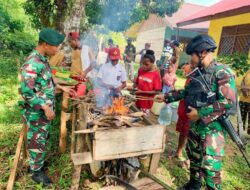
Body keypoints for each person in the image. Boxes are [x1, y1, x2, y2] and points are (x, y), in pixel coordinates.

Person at [155, 34, 236, 190]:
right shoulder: (198, 73)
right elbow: (186, 92)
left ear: (202, 52)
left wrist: (200, 113)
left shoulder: (222, 72)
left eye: (192, 55)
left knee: (210, 167)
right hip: (195, 127)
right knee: (194, 157)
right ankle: (194, 184)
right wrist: (166, 96)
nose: (191, 59)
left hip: (212, 129)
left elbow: (227, 102)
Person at [19, 28, 76, 186]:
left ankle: (38, 162)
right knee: (36, 140)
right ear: (44, 44)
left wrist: (62, 88)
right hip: (36, 112)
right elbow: (26, 92)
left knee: (41, 139)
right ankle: (35, 172)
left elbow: (48, 79)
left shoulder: (43, 59)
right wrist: (45, 107)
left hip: (44, 111)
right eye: (55, 46)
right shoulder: (32, 63)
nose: (57, 49)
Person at [239, 68, 250, 134]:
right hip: (243, 98)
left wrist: (245, 88)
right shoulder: (248, 70)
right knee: (241, 117)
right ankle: (240, 132)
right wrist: (244, 89)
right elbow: (243, 80)